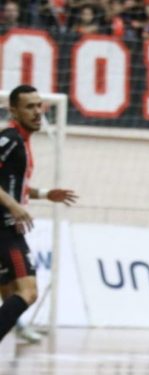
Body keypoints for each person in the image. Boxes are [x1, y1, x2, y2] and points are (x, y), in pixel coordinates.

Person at [0, 85, 78, 343]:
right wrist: (13, 206)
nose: (37, 112)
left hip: (7, 224)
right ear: (13, 110)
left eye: (39, 105)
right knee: (28, 292)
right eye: (29, 107)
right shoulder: (10, 139)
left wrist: (44, 194)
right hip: (5, 227)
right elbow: (10, 195)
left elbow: (13, 186)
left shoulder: (21, 141)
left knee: (11, 293)